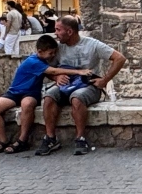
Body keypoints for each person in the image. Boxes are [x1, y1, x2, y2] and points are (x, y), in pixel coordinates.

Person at [36, 15, 124, 156]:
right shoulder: (58, 48)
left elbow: (119, 58)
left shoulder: (92, 44)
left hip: (89, 85)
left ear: (69, 32)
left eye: (58, 30)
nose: (55, 34)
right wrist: (56, 76)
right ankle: (50, 138)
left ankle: (80, 138)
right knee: (49, 97)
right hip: (65, 84)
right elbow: (45, 68)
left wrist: (104, 80)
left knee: (77, 97)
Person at [0, 33, 56, 153]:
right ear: (40, 51)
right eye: (50, 53)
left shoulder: (42, 61)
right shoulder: (34, 61)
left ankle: (22, 140)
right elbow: (53, 71)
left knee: (27, 104)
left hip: (31, 92)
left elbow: (51, 74)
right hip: (15, 92)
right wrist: (79, 72)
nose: (53, 56)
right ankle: (3, 140)